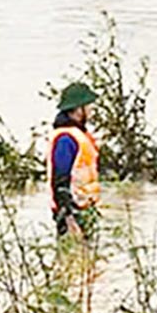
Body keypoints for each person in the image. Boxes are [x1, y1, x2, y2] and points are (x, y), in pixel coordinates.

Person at [48, 81, 101, 240]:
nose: (92, 110)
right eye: (88, 106)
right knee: (72, 257)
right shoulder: (66, 140)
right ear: (78, 110)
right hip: (72, 212)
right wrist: (69, 218)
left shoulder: (79, 136)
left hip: (85, 209)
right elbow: (60, 183)